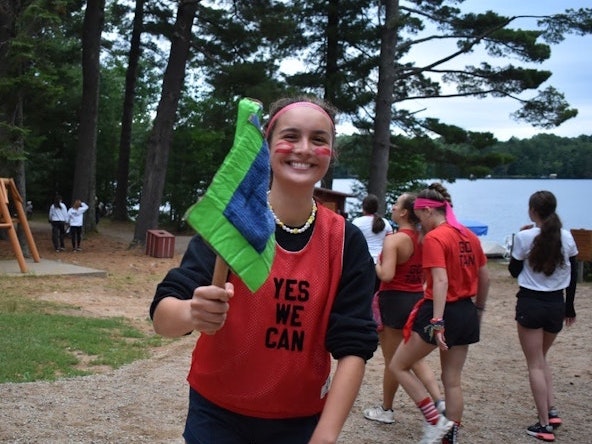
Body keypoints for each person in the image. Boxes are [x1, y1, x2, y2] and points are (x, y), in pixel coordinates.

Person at [150, 96, 378, 444]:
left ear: (331, 153)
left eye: (318, 140)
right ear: (268, 145)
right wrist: (192, 312)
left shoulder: (345, 241)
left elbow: (354, 345)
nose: (303, 149)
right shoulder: (232, 225)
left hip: (300, 420)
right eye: (291, 136)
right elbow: (162, 319)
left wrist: (326, 434)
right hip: (217, 414)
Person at [390, 183, 489, 444]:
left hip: (440, 310)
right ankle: (450, 435)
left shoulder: (436, 237)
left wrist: (437, 320)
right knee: (452, 380)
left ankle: (435, 420)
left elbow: (441, 281)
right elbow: (484, 275)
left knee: (398, 365)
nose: (418, 220)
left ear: (428, 211)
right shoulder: (468, 235)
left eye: (419, 215)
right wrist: (478, 309)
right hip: (466, 309)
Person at [363, 192, 444, 425]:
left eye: (396, 204)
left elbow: (386, 274)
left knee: (394, 361)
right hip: (416, 298)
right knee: (413, 358)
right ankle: (439, 401)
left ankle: (387, 410)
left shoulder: (395, 240)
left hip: (394, 300)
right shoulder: (423, 237)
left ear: (404, 212)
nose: (392, 208)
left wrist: (374, 263)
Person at [508, 190, 578, 442]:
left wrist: (522, 239)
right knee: (541, 358)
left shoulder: (525, 237)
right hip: (555, 305)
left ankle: (544, 425)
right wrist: (569, 307)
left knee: (535, 363)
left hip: (530, 303)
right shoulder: (567, 237)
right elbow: (573, 275)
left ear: (532, 211)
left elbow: (514, 271)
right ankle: (552, 409)